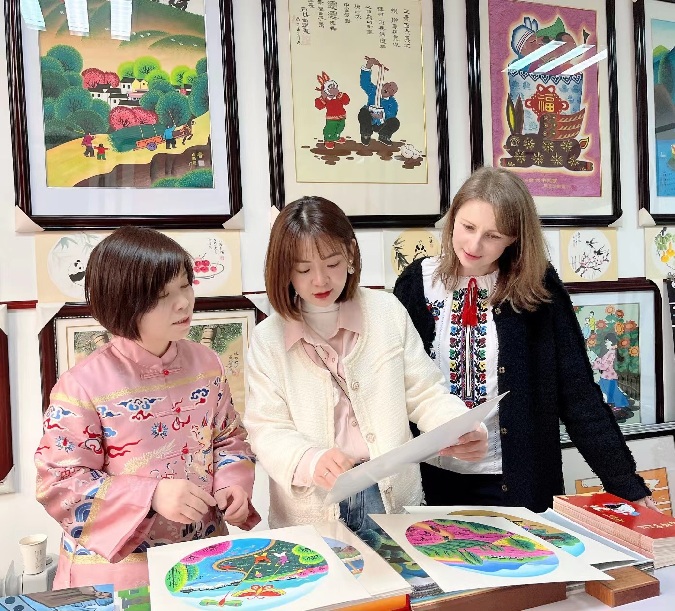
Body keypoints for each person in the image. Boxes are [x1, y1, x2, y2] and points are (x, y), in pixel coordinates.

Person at [393, 167, 655, 512]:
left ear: (514, 237)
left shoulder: (537, 289)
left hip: (515, 483)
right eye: (467, 227)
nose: (474, 245)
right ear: (453, 218)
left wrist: (626, 485)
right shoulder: (416, 283)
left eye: (493, 235)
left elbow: (578, 395)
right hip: (429, 480)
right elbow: (396, 386)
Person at [243, 196, 488, 537]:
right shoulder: (267, 338)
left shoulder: (387, 312)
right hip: (311, 507)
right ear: (284, 270)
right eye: (303, 269)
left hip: (393, 495)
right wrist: (309, 459)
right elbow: (266, 428)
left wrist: (459, 426)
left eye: (332, 263)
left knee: (400, 572)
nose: (320, 280)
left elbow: (425, 393)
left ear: (350, 253)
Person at [35, 227, 260, 591]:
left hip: (204, 558)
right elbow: (60, 482)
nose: (183, 303)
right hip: (119, 574)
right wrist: (151, 494)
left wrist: (232, 484)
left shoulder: (207, 364)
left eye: (185, 285)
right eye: (162, 296)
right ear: (122, 303)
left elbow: (228, 438)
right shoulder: (82, 386)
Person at [358, 56, 400, 145]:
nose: (388, 89)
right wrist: (369, 65)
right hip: (369, 121)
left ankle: (384, 136)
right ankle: (366, 134)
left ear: (392, 94)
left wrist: (382, 117)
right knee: (363, 112)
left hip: (382, 125)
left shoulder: (393, 103)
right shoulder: (374, 91)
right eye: (388, 85)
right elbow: (364, 83)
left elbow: (392, 113)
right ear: (384, 84)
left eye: (391, 90)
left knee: (395, 122)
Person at [314, 72, 350, 149]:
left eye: (334, 88)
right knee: (330, 129)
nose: (333, 90)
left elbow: (347, 101)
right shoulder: (326, 99)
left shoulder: (339, 96)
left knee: (340, 127)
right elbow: (319, 106)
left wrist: (339, 94)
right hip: (331, 118)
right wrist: (323, 97)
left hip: (342, 116)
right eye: (330, 89)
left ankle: (336, 137)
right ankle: (329, 140)